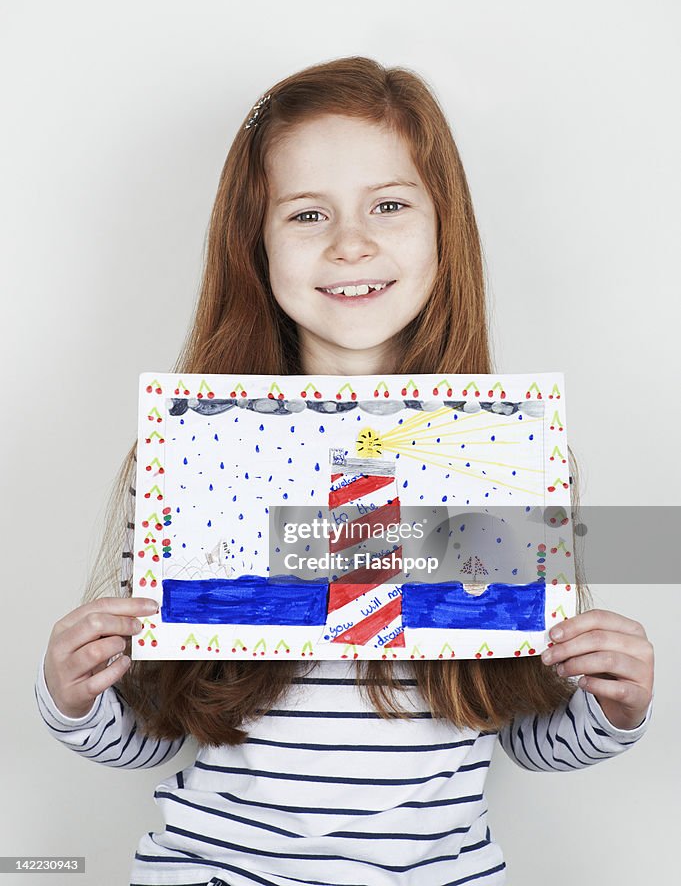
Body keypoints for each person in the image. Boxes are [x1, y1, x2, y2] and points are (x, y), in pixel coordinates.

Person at [35, 56, 655, 886]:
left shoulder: (502, 464)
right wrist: (75, 699)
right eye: (306, 214)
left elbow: (517, 732)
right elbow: (154, 728)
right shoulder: (196, 463)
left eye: (389, 205)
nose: (351, 242)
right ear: (255, 244)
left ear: (445, 229)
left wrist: (613, 707)